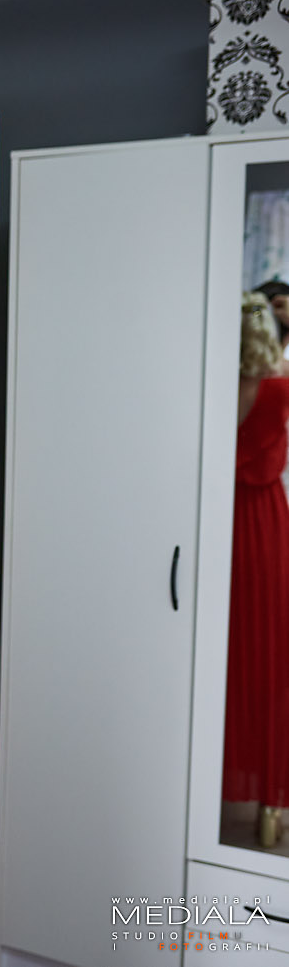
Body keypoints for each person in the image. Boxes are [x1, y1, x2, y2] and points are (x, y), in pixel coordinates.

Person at [224, 292, 289, 848]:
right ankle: (271, 808)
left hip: (219, 521)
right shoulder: (281, 387)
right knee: (269, 652)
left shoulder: (211, 388)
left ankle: (212, 776)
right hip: (266, 525)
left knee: (224, 651)